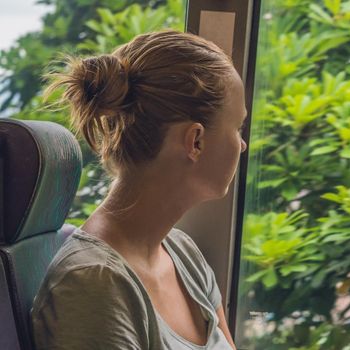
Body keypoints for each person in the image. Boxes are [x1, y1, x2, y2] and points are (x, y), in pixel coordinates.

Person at [31, 29, 247, 350]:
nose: (242, 145)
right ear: (195, 141)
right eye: (237, 127)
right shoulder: (93, 285)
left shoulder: (181, 252)